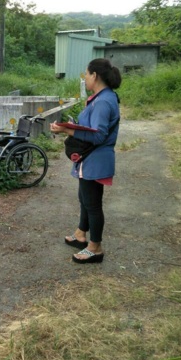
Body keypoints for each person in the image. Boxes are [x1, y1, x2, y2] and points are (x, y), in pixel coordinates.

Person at [50, 58, 121, 264]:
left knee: (92, 203)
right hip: (91, 158)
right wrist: (71, 127)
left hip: (96, 159)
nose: (85, 78)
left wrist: (67, 130)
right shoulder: (102, 97)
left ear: (95, 76)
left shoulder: (103, 101)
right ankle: (81, 233)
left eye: (86, 74)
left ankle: (95, 247)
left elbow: (99, 135)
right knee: (85, 198)